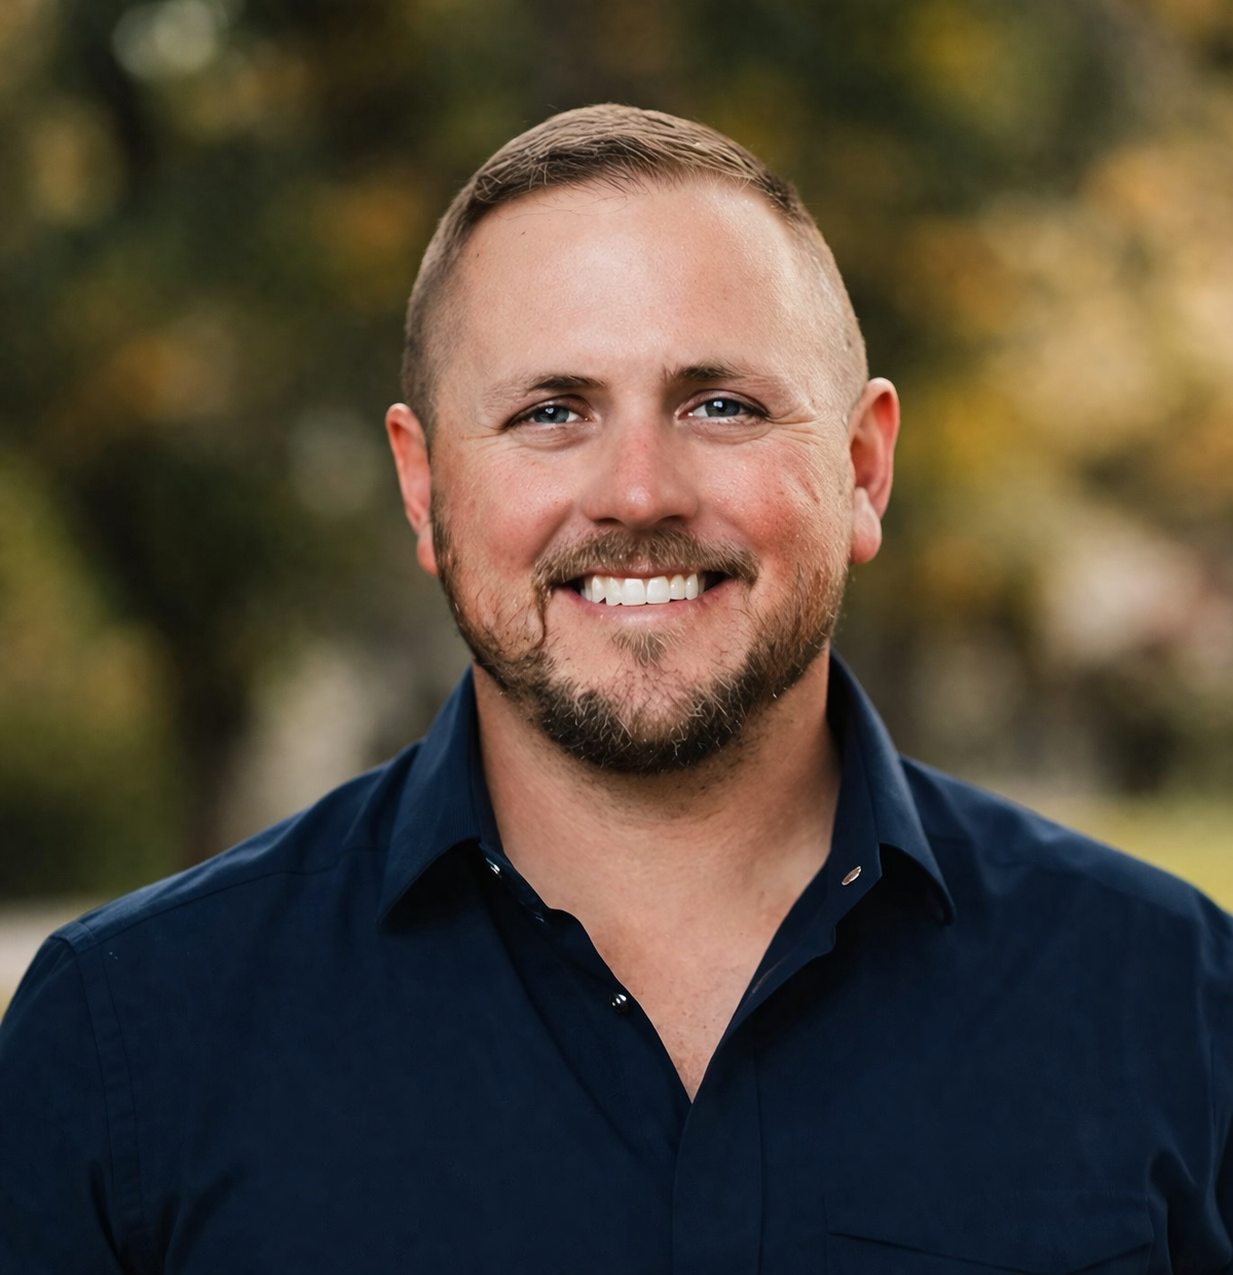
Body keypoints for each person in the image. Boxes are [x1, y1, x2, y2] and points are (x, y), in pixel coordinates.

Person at [1, 104, 1230, 1274]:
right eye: (550, 411)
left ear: (862, 467)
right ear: (425, 489)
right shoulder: (128, 1042)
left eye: (722, 404)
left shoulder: (1178, 1004)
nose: (638, 492)